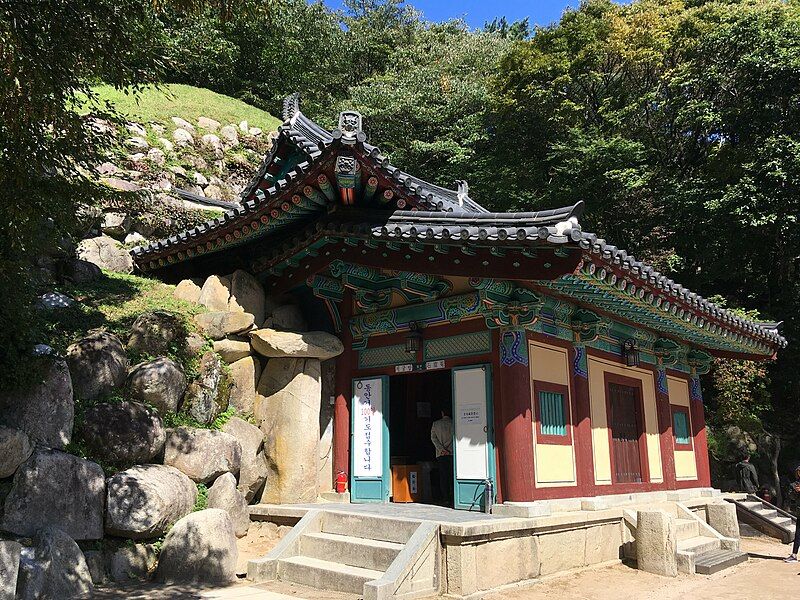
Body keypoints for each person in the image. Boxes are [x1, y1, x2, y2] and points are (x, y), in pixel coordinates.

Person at [431, 406, 454, 505]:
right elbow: (457, 436)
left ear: (442, 413)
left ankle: (446, 498)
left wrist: (441, 449)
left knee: (443, 476)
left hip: (441, 454)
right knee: (452, 475)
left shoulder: (436, 424)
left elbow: (433, 438)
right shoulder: (454, 423)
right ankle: (453, 496)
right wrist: (449, 449)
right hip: (452, 453)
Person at [783, 465, 800, 563]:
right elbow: (791, 497)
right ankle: (794, 555)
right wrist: (796, 492)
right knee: (798, 534)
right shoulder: (794, 484)